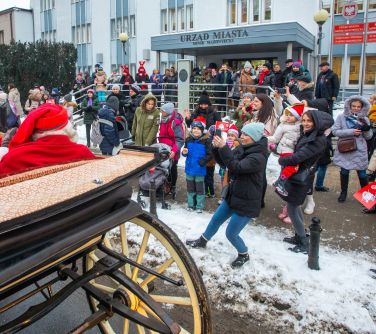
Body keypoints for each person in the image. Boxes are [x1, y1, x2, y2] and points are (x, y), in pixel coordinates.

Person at [186, 122, 268, 268]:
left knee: (231, 233)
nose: (242, 137)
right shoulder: (243, 148)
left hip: (247, 201)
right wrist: (217, 148)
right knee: (216, 219)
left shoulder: (258, 157)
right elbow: (225, 163)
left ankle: (244, 254)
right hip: (234, 194)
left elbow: (236, 167)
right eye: (242, 134)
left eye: (245, 135)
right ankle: (203, 240)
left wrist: (224, 147)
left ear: (255, 137)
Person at [277, 109, 334, 253]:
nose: (306, 123)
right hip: (298, 175)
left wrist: (281, 158)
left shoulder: (318, 139)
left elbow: (298, 157)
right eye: (304, 120)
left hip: (302, 177)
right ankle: (299, 235)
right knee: (294, 207)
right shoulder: (308, 134)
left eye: (309, 121)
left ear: (316, 123)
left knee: (292, 207)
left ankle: (303, 242)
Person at [0, 104, 96, 178]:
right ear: (68, 127)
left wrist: (4, 149)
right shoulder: (84, 153)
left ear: (33, 131)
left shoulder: (13, 159)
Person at [332, 95, 373, 203]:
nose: (356, 108)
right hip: (346, 149)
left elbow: (368, 137)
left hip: (360, 150)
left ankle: (367, 197)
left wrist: (367, 129)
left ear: (362, 107)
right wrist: (351, 132)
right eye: (353, 106)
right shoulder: (341, 117)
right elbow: (335, 131)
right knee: (344, 172)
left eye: (358, 106)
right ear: (349, 106)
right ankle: (343, 193)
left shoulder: (365, 119)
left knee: (362, 174)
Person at [268, 103, 304, 198]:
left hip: (293, 150)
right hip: (285, 149)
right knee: (293, 166)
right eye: (287, 115)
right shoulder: (283, 125)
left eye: (291, 115)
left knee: (291, 168)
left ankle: (282, 183)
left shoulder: (300, 125)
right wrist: (265, 138)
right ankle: (280, 182)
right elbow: (275, 138)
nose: (288, 117)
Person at [249, 93, 278, 207]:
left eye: (256, 101)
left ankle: (259, 201)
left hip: (262, 148)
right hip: (254, 147)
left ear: (263, 103)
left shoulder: (270, 116)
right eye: (254, 101)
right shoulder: (257, 114)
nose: (253, 103)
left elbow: (264, 133)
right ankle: (255, 198)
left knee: (260, 175)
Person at [182, 117, 212, 213]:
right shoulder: (188, 140)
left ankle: (199, 206)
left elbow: (210, 155)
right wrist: (184, 152)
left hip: (200, 169)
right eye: (194, 128)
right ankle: (191, 204)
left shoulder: (206, 141)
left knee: (199, 188)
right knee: (190, 188)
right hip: (189, 168)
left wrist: (201, 162)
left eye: (198, 129)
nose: (196, 130)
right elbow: (184, 152)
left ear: (202, 130)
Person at [157, 102, 185, 198]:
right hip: (163, 147)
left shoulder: (175, 122)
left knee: (172, 167)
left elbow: (180, 139)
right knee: (163, 167)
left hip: (173, 148)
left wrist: (174, 151)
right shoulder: (163, 119)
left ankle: (172, 186)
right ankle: (163, 185)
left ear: (168, 112)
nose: (161, 112)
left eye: (163, 111)